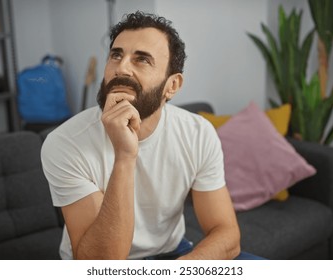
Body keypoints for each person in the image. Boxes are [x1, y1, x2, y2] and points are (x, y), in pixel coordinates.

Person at [41, 11, 242, 260]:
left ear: (173, 85)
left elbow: (227, 235)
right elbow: (101, 265)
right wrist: (125, 156)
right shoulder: (65, 143)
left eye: (142, 60)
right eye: (116, 55)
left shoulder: (198, 133)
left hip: (174, 253)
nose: (121, 68)